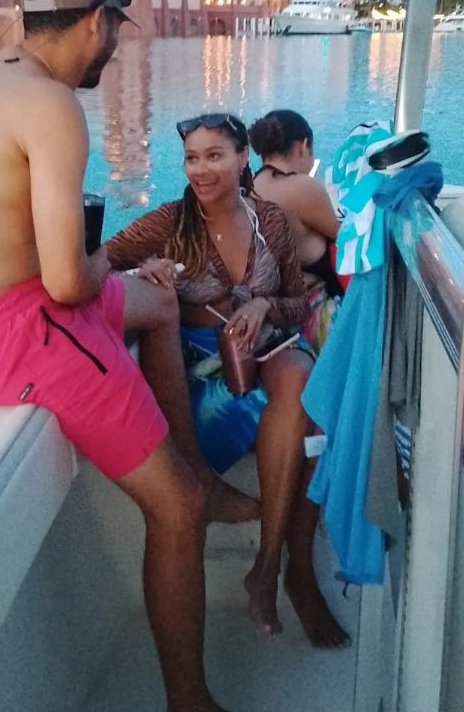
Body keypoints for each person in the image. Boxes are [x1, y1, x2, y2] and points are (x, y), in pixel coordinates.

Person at [0, 0, 281, 712]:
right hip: (12, 328)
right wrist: (112, 269)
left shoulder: (1, 69)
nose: (114, 44)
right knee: (174, 512)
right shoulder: (51, 106)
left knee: (158, 302)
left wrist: (129, 280)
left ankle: (200, 472)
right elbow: (66, 280)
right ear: (92, 21)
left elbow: (65, 271)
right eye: (113, 25)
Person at [105, 113, 349, 648]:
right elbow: (95, 264)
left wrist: (263, 303)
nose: (201, 168)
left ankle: (271, 569)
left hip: (264, 349)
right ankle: (296, 575)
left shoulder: (272, 221)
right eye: (192, 157)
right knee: (308, 424)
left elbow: (290, 303)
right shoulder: (168, 223)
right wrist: (140, 274)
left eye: (214, 155)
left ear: (243, 159)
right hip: (195, 367)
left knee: (304, 381)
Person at [249, 109, 344, 352]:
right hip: (309, 314)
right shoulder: (303, 188)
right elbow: (344, 237)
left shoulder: (249, 187)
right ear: (303, 146)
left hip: (269, 313)